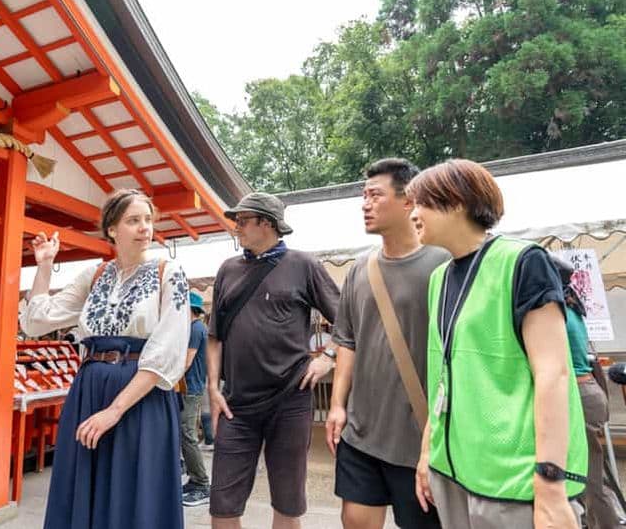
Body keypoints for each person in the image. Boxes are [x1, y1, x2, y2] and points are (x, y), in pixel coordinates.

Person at [409, 159, 588, 528]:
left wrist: (551, 482)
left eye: (420, 203)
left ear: (455, 202)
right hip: (452, 470)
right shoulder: (439, 278)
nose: (412, 214)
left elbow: (552, 373)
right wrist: (428, 452)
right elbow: (442, 373)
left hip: (516, 480)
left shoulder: (523, 261)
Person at [19, 189, 190, 529]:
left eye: (148, 220)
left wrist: (114, 410)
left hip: (140, 397)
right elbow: (37, 321)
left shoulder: (169, 272)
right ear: (112, 229)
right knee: (84, 488)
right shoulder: (95, 276)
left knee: (134, 494)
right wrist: (45, 266)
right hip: (89, 390)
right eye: (133, 221)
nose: (145, 228)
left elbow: (166, 352)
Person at [207, 192, 340, 529]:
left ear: (266, 223)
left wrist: (328, 356)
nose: (236, 227)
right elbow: (215, 336)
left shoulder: (304, 265)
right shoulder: (228, 270)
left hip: (290, 399)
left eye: (242, 220)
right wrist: (212, 387)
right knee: (222, 504)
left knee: (287, 501)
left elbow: (349, 320)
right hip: (236, 402)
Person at [327, 158, 447, 529]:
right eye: (363, 196)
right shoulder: (359, 270)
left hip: (418, 435)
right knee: (356, 520)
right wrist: (336, 406)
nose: (365, 204)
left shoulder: (442, 264)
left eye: (375, 195)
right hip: (361, 430)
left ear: (408, 201)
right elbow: (347, 341)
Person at [554, 257, 623, 528]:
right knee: (588, 475)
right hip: (588, 393)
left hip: (579, 395)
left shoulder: (556, 311)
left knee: (588, 480)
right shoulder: (572, 307)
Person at [181, 291, 211, 507]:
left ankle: (201, 483)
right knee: (184, 433)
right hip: (192, 387)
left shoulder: (195, 329)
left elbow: (186, 362)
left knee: (188, 434)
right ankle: (193, 479)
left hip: (191, 388)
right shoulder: (196, 328)